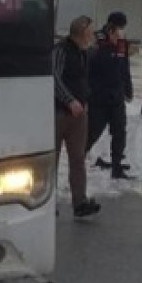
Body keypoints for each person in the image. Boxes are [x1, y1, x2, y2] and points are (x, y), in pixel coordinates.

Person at [53, 16, 100, 218]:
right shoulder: (61, 50)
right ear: (81, 32)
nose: (92, 35)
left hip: (79, 115)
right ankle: (47, 202)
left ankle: (79, 202)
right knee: (51, 160)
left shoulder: (84, 52)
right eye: (90, 31)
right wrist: (69, 100)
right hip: (58, 114)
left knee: (78, 159)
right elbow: (53, 77)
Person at [86, 12, 134, 179]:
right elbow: (89, 66)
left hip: (117, 95)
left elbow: (124, 68)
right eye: (119, 28)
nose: (121, 31)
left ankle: (116, 166)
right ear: (110, 26)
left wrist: (128, 89)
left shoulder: (122, 44)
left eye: (123, 28)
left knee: (119, 131)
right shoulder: (96, 41)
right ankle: (78, 160)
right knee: (93, 131)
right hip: (98, 97)